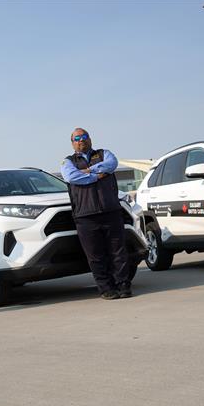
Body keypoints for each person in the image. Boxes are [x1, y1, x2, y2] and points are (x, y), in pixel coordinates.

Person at [60, 128, 132, 299]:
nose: (81, 140)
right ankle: (106, 289)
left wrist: (87, 170)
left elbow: (111, 164)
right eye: (77, 138)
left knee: (118, 252)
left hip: (111, 211)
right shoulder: (67, 162)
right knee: (95, 256)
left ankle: (123, 286)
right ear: (72, 143)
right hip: (85, 216)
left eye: (84, 137)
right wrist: (96, 175)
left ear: (90, 139)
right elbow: (71, 177)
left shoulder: (104, 153)